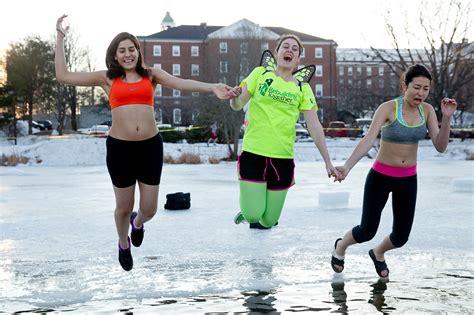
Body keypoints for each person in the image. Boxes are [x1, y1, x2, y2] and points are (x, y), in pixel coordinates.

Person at [55, 14, 236, 271]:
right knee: (122, 206)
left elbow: (182, 83)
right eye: (122, 50)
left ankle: (137, 223)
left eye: (132, 49)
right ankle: (123, 242)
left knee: (149, 209)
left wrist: (212, 87)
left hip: (149, 147)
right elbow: (63, 75)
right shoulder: (107, 78)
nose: (128, 54)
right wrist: (61, 37)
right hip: (120, 149)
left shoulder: (152, 75)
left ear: (138, 52)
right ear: (115, 55)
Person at [330, 64, 457, 278]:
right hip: (380, 177)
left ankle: (378, 253)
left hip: (408, 180)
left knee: (401, 237)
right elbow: (368, 139)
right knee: (366, 231)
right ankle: (340, 247)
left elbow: (441, 146)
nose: (421, 93)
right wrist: (347, 166)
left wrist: (447, 117)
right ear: (405, 85)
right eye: (417, 87)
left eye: (426, 89)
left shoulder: (426, 111)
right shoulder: (388, 108)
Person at [228, 34, 341, 230]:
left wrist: (328, 161)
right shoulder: (260, 74)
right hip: (254, 152)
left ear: (297, 60)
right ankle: (247, 210)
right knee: (253, 214)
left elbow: (314, 126)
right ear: (277, 52)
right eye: (285, 46)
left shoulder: (302, 88)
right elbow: (238, 104)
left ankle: (253, 206)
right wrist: (233, 97)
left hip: (282, 158)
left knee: (269, 221)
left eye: (295, 49)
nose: (289, 50)